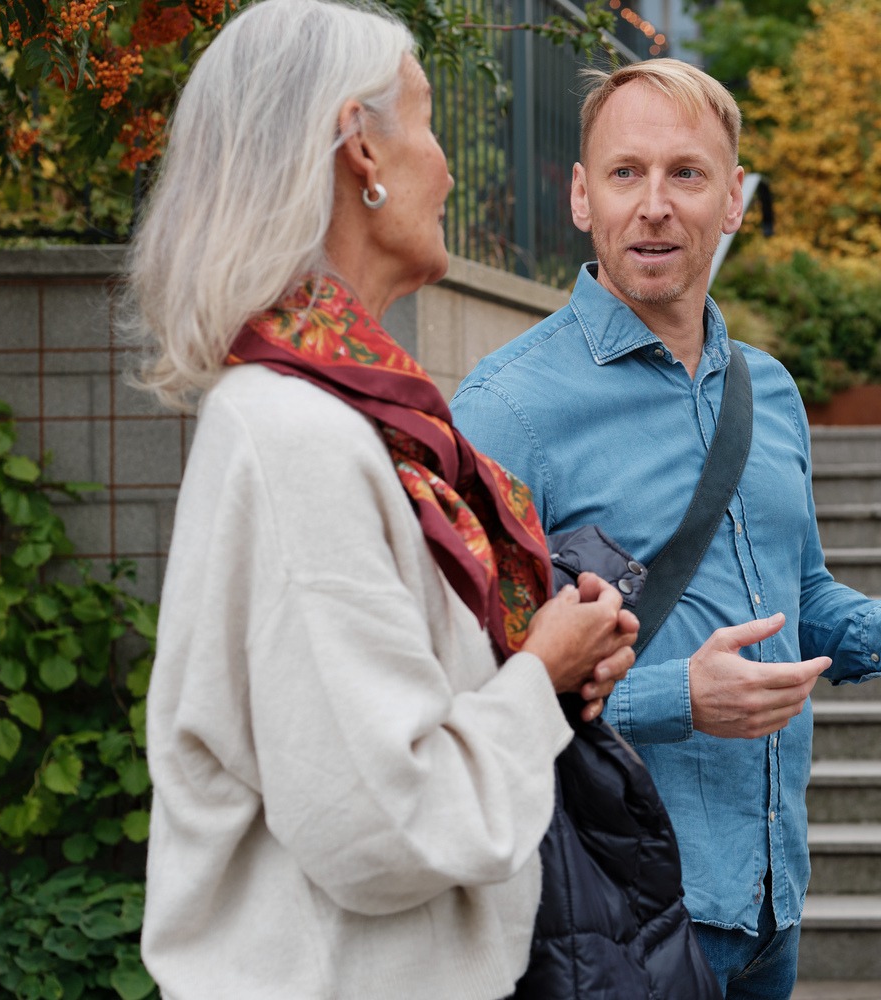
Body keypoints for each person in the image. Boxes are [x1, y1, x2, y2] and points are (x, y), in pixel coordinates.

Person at [449, 59, 881, 999]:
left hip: (766, 904)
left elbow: (798, 597)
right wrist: (679, 697)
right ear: (582, 198)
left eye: (688, 173)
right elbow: (474, 682)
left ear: (735, 200)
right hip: (613, 912)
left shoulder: (773, 391)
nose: (656, 205)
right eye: (626, 173)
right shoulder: (508, 410)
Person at [130, 1, 638, 996]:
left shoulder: (347, 417)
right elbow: (384, 820)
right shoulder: (300, 436)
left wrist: (552, 653)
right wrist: (539, 678)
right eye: (429, 120)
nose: (447, 165)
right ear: (359, 149)